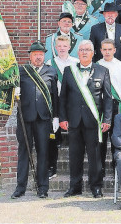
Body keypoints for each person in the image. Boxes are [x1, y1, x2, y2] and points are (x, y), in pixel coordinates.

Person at [59, 40, 113, 198]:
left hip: (93, 122)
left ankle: (96, 187)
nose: (84, 52)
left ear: (93, 52)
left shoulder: (103, 71)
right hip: (74, 121)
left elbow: (108, 98)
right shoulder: (69, 71)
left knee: (95, 156)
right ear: (78, 52)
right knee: (74, 156)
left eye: (87, 50)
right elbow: (63, 97)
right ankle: (75, 187)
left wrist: (107, 119)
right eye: (81, 49)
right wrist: (62, 117)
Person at [12, 42, 59, 199]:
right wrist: (15, 91)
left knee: (43, 153)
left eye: (41, 54)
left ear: (44, 56)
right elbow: (10, 92)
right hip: (25, 119)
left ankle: (43, 187)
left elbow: (55, 97)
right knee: (24, 152)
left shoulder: (51, 72)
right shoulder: (21, 71)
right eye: (35, 54)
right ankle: (20, 187)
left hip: (44, 119)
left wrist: (56, 117)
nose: (38, 57)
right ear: (30, 56)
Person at [97, 38, 121, 177]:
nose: (107, 52)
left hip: (116, 105)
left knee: (116, 139)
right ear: (100, 51)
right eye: (104, 49)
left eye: (109, 49)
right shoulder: (96, 65)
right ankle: (100, 170)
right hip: (100, 107)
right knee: (100, 139)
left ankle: (116, 169)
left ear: (114, 50)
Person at [45, 35, 79, 179]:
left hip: (72, 102)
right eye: (59, 46)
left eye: (64, 46)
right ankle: (52, 167)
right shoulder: (49, 62)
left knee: (75, 133)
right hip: (55, 101)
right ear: (55, 47)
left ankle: (76, 168)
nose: (62, 49)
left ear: (69, 47)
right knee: (52, 135)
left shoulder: (76, 62)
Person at [90, 3, 121, 73]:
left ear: (116, 15)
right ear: (104, 15)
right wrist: (92, 69)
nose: (110, 16)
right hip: (101, 68)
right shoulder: (95, 29)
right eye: (108, 13)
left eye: (112, 13)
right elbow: (91, 50)